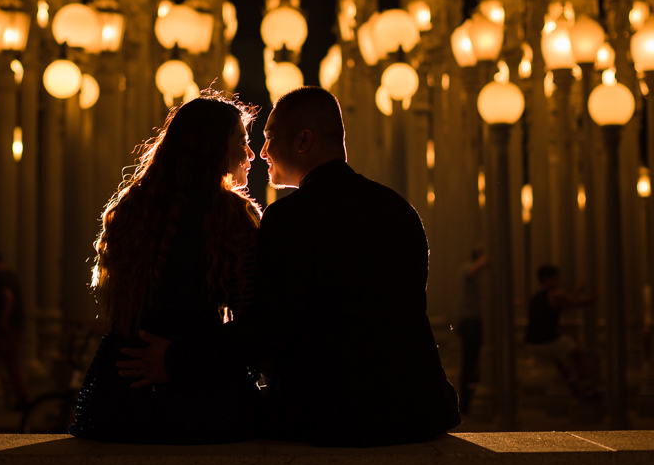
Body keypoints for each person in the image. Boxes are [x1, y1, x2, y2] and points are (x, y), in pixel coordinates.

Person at [120, 86, 461, 446]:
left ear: (303, 140)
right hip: (418, 411)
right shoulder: (398, 209)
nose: (262, 151)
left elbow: (268, 327)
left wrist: (177, 359)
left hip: (332, 417)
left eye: (268, 138)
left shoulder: (290, 218)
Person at [68, 92, 263, 444]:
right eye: (242, 141)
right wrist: (179, 359)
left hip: (123, 388)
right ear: (213, 147)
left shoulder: (133, 210)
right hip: (204, 396)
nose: (250, 154)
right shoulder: (231, 217)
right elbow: (252, 323)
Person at [524, 264, 596, 398]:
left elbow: (566, 302)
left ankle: (572, 383)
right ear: (547, 279)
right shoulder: (556, 294)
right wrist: (594, 297)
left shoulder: (536, 296)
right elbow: (575, 303)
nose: (559, 281)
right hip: (547, 339)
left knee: (557, 357)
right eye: (557, 278)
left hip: (531, 340)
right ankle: (587, 388)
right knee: (579, 354)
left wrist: (578, 291)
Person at [0, 251, 31, 411]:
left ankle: (21, 398)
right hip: (16, 325)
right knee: (11, 363)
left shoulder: (1, 277)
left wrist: (3, 319)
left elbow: (8, 297)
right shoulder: (11, 275)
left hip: (8, 328)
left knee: (10, 363)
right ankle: (18, 397)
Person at [454, 246, 489, 415]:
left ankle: (466, 401)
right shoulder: (468, 267)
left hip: (472, 321)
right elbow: (472, 272)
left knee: (473, 362)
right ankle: (464, 404)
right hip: (469, 321)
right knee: (469, 363)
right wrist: (484, 261)